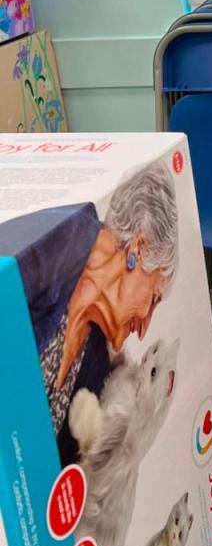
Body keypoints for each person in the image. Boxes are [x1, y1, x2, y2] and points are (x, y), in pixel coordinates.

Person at [0, 161, 179, 462]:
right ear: (139, 247)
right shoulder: (57, 240)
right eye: (154, 299)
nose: (145, 327)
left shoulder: (95, 361)